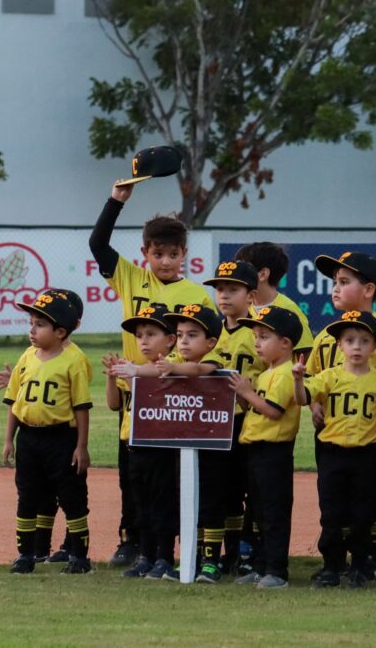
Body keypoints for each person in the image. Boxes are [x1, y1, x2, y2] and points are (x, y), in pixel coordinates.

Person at [89, 179, 215, 567]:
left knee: (168, 477)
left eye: (172, 254)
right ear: (145, 252)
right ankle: (133, 540)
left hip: (173, 391)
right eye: (157, 253)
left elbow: (204, 345)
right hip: (133, 389)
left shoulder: (195, 296)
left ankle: (165, 547)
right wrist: (116, 201)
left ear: (185, 255)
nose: (164, 260)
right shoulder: (131, 278)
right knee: (133, 473)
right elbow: (97, 244)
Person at [307, 251, 376, 578]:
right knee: (333, 503)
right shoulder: (328, 335)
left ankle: (370, 559)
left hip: (370, 434)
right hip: (332, 434)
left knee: (372, 501)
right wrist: (314, 404)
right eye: (334, 282)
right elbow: (315, 379)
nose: (335, 289)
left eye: (344, 282)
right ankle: (335, 561)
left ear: (368, 290)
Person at [294, 310, 376, 589]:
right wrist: (297, 379)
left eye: (364, 341)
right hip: (333, 452)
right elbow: (303, 397)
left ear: (374, 347)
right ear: (339, 345)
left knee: (362, 512)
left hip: (366, 454)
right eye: (349, 340)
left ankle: (360, 566)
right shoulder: (328, 377)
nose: (356, 347)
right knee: (331, 511)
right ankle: (332, 564)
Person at [2, 289, 92, 574]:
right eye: (31, 322)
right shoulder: (27, 356)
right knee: (27, 496)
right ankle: (27, 554)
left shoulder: (74, 361)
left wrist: (81, 446)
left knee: (71, 497)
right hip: (28, 438)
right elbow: (16, 402)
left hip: (61, 439)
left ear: (61, 331)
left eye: (40, 324)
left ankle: (79, 556)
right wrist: (8, 440)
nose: (32, 330)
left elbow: (81, 407)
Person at [229, 305, 306, 589]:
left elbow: (273, 411)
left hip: (275, 453)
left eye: (263, 337)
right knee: (258, 512)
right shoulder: (265, 373)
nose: (256, 343)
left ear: (285, 343)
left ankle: (277, 570)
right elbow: (254, 408)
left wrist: (247, 392)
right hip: (256, 450)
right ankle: (261, 567)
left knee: (273, 513)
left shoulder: (286, 373)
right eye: (256, 336)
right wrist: (241, 395)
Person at [108, 303, 180, 580]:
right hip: (134, 447)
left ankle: (164, 557)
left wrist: (133, 371)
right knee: (142, 506)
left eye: (151, 333)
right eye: (139, 335)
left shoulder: (171, 366)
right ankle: (145, 556)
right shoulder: (136, 369)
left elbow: (160, 374)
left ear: (170, 340)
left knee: (163, 505)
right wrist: (115, 377)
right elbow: (116, 404)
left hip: (161, 449)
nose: (143, 340)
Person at [203, 259, 263, 575]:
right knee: (222, 490)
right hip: (215, 423)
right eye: (220, 289)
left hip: (249, 421)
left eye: (233, 289)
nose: (224, 296)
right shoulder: (211, 331)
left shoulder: (259, 331)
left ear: (251, 295)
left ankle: (247, 552)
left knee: (249, 490)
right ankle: (228, 553)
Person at [235, 242, 314, 358]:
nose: (236, 275)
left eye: (243, 270)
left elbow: (305, 356)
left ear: (263, 274)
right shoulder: (243, 307)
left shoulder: (288, 310)